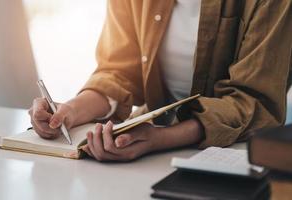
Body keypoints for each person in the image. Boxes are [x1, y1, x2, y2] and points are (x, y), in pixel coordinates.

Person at [28, 0, 292, 161]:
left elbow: (253, 100)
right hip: (151, 148)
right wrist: (71, 111)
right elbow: (118, 72)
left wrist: (159, 139)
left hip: (235, 154)